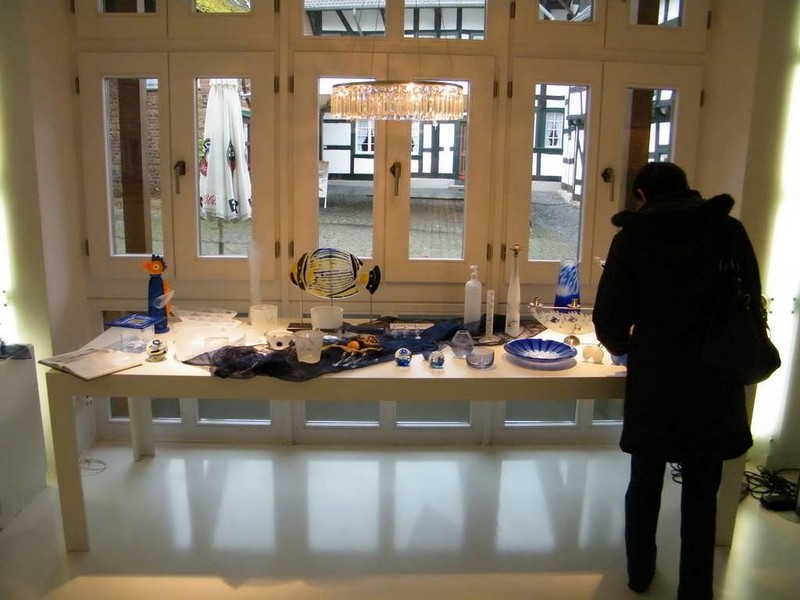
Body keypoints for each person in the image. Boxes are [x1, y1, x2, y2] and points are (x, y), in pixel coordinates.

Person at [592, 162, 758, 599]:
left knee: (645, 482)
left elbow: (610, 318)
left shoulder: (633, 238)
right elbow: (750, 298)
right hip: (715, 376)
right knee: (702, 494)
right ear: (688, 188)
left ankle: (640, 573)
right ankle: (696, 589)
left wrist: (623, 346)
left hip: (657, 377)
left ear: (642, 196)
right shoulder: (729, 230)